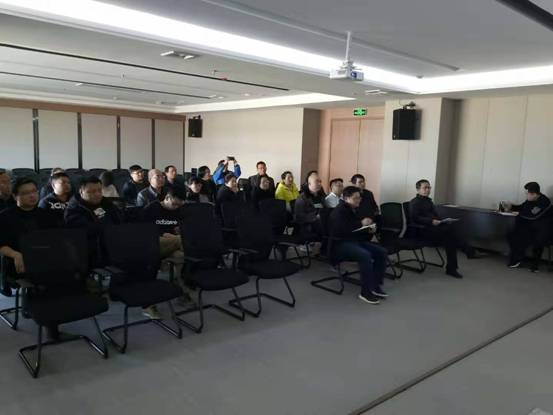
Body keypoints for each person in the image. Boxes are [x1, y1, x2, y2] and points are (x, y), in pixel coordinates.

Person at [0, 178, 59, 338]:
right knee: (45, 279)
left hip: (45, 258)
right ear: (15, 196)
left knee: (66, 272)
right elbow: (1, 244)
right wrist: (15, 254)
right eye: (26, 193)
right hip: (18, 261)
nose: (32, 195)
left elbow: (56, 239)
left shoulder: (46, 214)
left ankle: (52, 312)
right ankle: (48, 320)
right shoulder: (5, 217)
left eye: (34, 191)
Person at [329, 186, 388, 304]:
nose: (359, 200)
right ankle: (365, 292)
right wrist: (361, 223)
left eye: (359, 198)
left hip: (354, 241)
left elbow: (356, 229)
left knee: (381, 252)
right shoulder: (339, 211)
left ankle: (374, 285)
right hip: (339, 244)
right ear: (346, 198)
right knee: (365, 255)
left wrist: (369, 229)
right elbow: (342, 230)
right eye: (355, 198)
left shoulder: (354, 209)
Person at [409, 179, 475, 279]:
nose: (428, 190)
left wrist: (442, 221)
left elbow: (435, 216)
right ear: (418, 189)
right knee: (450, 234)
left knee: (451, 237)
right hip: (422, 231)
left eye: (429, 187)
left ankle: (453, 267)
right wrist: (431, 221)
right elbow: (415, 218)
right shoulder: (414, 202)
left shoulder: (429, 202)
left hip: (434, 229)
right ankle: (467, 250)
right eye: (425, 188)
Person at [141, 190, 193, 310]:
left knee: (180, 256)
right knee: (182, 242)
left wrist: (179, 231)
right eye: (174, 204)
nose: (176, 207)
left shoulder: (179, 210)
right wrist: (164, 234)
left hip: (172, 244)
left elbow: (183, 226)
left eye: (179, 205)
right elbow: (143, 230)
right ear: (167, 198)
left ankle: (180, 289)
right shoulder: (152, 208)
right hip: (154, 243)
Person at [65, 176, 123, 268]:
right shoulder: (74, 209)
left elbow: (119, 220)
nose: (97, 194)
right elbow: (89, 230)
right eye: (92, 191)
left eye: (99, 190)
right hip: (88, 256)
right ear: (81, 192)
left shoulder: (105, 203)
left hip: (111, 249)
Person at [504, 182, 552, 271]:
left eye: (527, 193)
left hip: (543, 230)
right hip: (531, 227)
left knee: (528, 238)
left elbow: (533, 215)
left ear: (534, 193)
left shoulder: (544, 201)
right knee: (511, 234)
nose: (526, 195)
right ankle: (517, 258)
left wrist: (519, 213)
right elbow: (522, 207)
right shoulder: (529, 200)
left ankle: (526, 261)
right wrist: (511, 207)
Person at [294, 172, 326, 241]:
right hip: (308, 227)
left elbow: (325, 209)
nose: (320, 184)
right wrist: (315, 217)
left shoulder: (321, 195)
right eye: (317, 182)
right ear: (309, 184)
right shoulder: (302, 198)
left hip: (322, 224)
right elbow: (298, 217)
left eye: (320, 182)